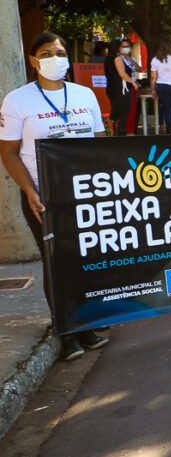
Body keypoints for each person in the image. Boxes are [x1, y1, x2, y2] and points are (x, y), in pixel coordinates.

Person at [1, 31, 110, 360]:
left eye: (60, 51)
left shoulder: (84, 95)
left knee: (83, 259)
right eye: (46, 53)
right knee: (55, 262)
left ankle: (86, 325)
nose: (55, 58)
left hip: (85, 191)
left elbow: (99, 143)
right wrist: (30, 191)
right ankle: (67, 332)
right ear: (34, 61)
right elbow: (8, 153)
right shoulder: (17, 100)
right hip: (43, 195)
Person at [103, 37, 138, 136]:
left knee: (114, 114)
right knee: (123, 115)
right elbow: (122, 74)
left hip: (111, 89)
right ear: (118, 48)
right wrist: (133, 82)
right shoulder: (117, 59)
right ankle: (121, 135)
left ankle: (110, 133)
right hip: (122, 90)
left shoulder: (108, 60)